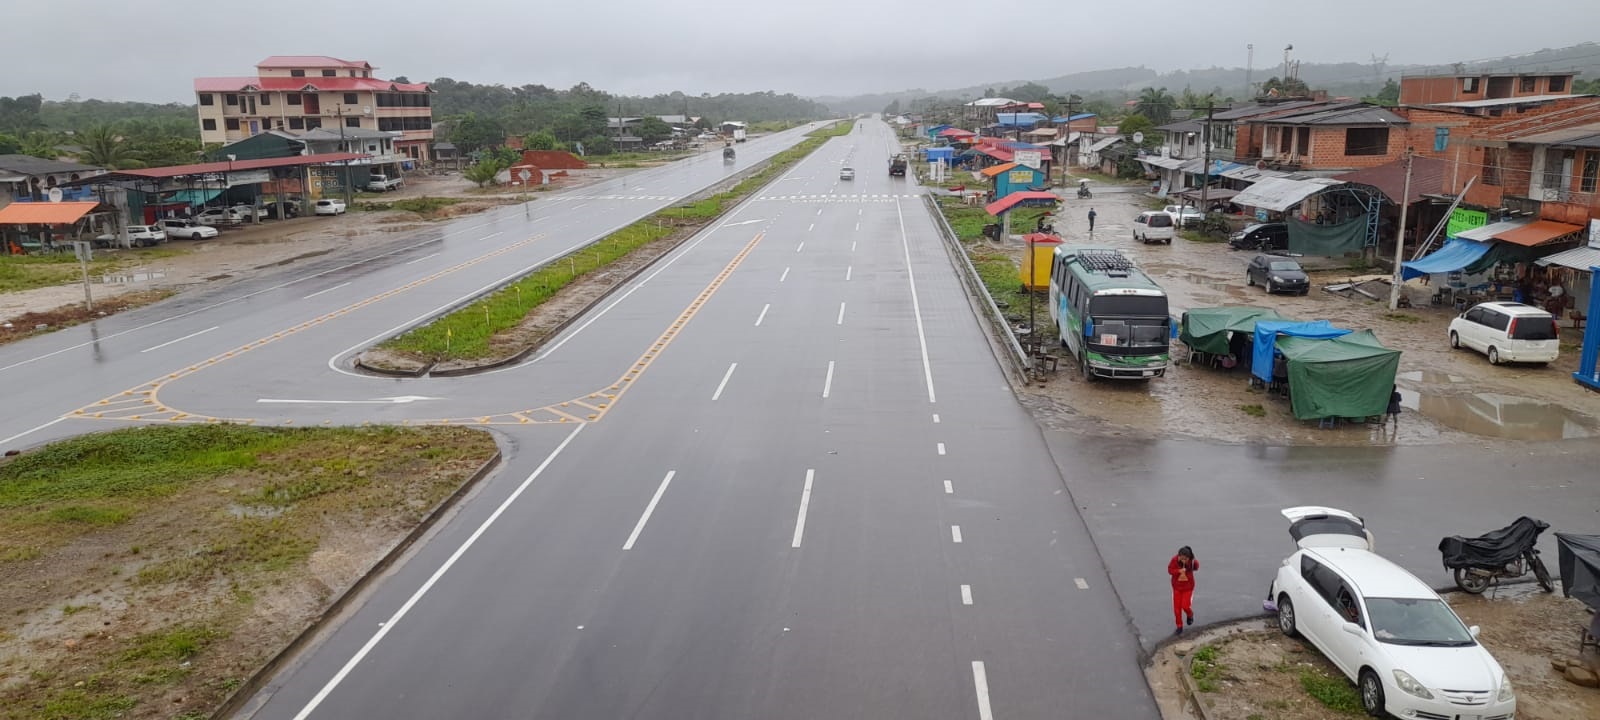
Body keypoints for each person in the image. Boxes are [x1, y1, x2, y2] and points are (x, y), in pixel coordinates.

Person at [1168, 546, 1198, 634]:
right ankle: (1179, 626)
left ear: (1189, 558)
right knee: (1177, 608)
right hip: (1177, 587)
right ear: (1179, 556)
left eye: (1185, 559)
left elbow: (1196, 567)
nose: (1183, 560)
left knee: (1185, 606)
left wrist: (1193, 562)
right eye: (1181, 558)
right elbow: (1170, 570)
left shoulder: (1192, 562)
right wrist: (1178, 571)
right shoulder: (1174, 560)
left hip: (1188, 588)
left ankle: (1190, 614)